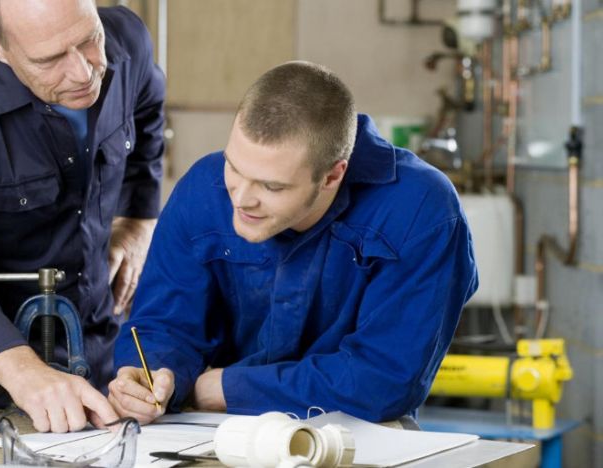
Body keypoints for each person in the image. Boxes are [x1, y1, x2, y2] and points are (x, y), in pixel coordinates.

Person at [108, 61, 477, 424]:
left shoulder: (421, 210)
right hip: (217, 428)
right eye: (234, 167)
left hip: (361, 432)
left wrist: (221, 388)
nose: (241, 199)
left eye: (271, 186)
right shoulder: (202, 189)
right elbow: (162, 326)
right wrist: (152, 376)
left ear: (332, 175)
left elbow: (384, 379)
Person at [0, 0, 165, 433]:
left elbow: (148, 112)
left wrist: (138, 219)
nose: (83, 72)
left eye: (89, 40)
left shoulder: (128, 41)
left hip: (97, 349)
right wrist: (24, 371)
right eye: (50, 60)